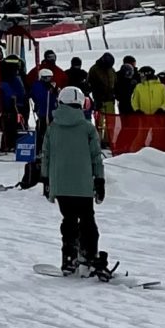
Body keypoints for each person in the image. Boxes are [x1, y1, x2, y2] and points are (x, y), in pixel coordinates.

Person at [36, 84, 111, 277]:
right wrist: (100, 180)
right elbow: (96, 156)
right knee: (87, 220)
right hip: (83, 183)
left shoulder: (52, 127)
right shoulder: (87, 128)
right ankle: (90, 255)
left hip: (60, 184)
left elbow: (46, 154)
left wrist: (45, 179)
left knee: (68, 220)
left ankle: (68, 258)